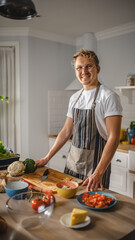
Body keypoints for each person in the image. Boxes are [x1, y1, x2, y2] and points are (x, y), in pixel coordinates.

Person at [36, 49, 122, 191]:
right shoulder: (75, 98)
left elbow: (114, 137)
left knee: (94, 207)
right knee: (69, 205)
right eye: (79, 67)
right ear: (76, 71)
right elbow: (66, 131)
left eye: (89, 66)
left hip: (95, 169)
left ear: (98, 69)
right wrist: (47, 158)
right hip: (72, 164)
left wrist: (99, 173)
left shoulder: (109, 96)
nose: (84, 71)